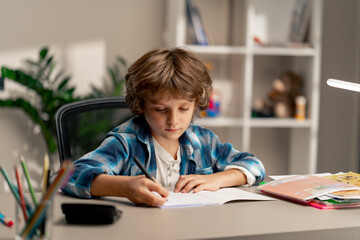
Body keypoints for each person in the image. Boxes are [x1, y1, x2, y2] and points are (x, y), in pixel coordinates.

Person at [63, 48, 265, 207]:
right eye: (161, 109)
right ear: (142, 104)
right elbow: (68, 177)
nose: (173, 120)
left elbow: (254, 166)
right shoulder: (126, 142)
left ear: (196, 103)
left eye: (184, 108)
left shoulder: (202, 141)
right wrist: (124, 188)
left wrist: (218, 179)